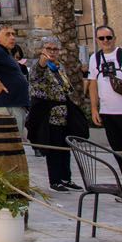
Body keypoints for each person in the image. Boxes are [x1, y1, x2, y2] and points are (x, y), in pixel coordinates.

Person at [85, 25, 122, 180]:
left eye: (109, 37)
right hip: (108, 113)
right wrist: (94, 109)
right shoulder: (94, 59)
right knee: (118, 151)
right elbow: (93, 84)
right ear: (97, 40)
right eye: (102, 38)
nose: (106, 41)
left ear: (114, 38)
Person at [27, 37, 84, 192]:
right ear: (42, 50)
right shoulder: (40, 66)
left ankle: (66, 178)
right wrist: (42, 61)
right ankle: (55, 179)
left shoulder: (59, 67)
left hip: (64, 113)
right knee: (54, 147)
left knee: (65, 147)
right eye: (48, 49)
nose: (52, 52)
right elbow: (38, 72)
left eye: (55, 49)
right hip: (50, 114)